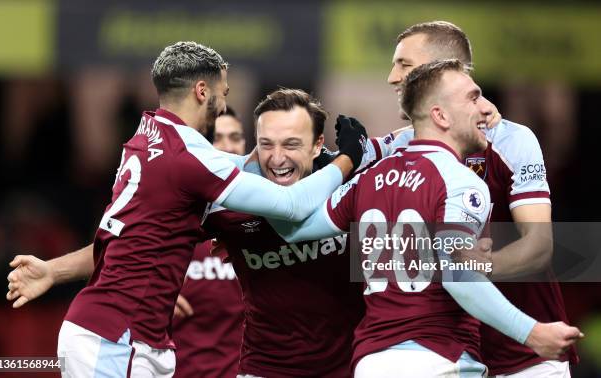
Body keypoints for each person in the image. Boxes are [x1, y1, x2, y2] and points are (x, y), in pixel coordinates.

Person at [6, 41, 367, 377]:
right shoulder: (189, 158)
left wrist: (53, 270)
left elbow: (122, 239)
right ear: (201, 91)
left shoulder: (145, 139)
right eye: (223, 93)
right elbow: (291, 205)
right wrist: (349, 156)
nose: (224, 104)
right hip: (122, 337)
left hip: (112, 332)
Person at [270, 60, 582, 377]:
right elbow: (459, 277)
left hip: (373, 362)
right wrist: (532, 332)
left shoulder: (369, 178)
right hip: (439, 359)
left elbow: (294, 227)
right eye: (473, 99)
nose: (485, 109)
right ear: (440, 116)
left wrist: (340, 164)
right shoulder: (461, 182)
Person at [366, 21, 577, 376]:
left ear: (446, 71)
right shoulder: (393, 149)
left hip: (523, 357)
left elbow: (539, 246)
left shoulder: (511, 141)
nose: (391, 77)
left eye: (403, 64)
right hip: (445, 355)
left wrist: (474, 266)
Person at [203, 88, 366, 376]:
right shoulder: (227, 201)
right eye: (266, 144)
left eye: (291, 144)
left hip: (349, 367)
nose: (277, 159)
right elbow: (136, 241)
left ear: (317, 145)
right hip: (265, 369)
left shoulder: (354, 187)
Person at [172, 107, 245, 378]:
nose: (228, 146)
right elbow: (113, 265)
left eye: (235, 137)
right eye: (218, 137)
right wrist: (151, 292)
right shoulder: (172, 218)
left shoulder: (267, 220)